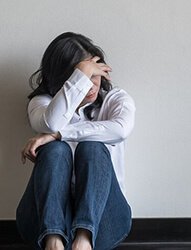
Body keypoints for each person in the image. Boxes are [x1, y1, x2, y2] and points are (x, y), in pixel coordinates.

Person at [16, 32, 135, 250]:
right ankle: (54, 242)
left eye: (94, 75)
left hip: (105, 220)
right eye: (80, 76)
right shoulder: (41, 104)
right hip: (42, 221)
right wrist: (81, 74)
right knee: (55, 151)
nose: (90, 86)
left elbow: (120, 129)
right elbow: (51, 123)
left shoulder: (116, 100)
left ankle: (83, 241)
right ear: (62, 78)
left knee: (92, 147)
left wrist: (60, 134)